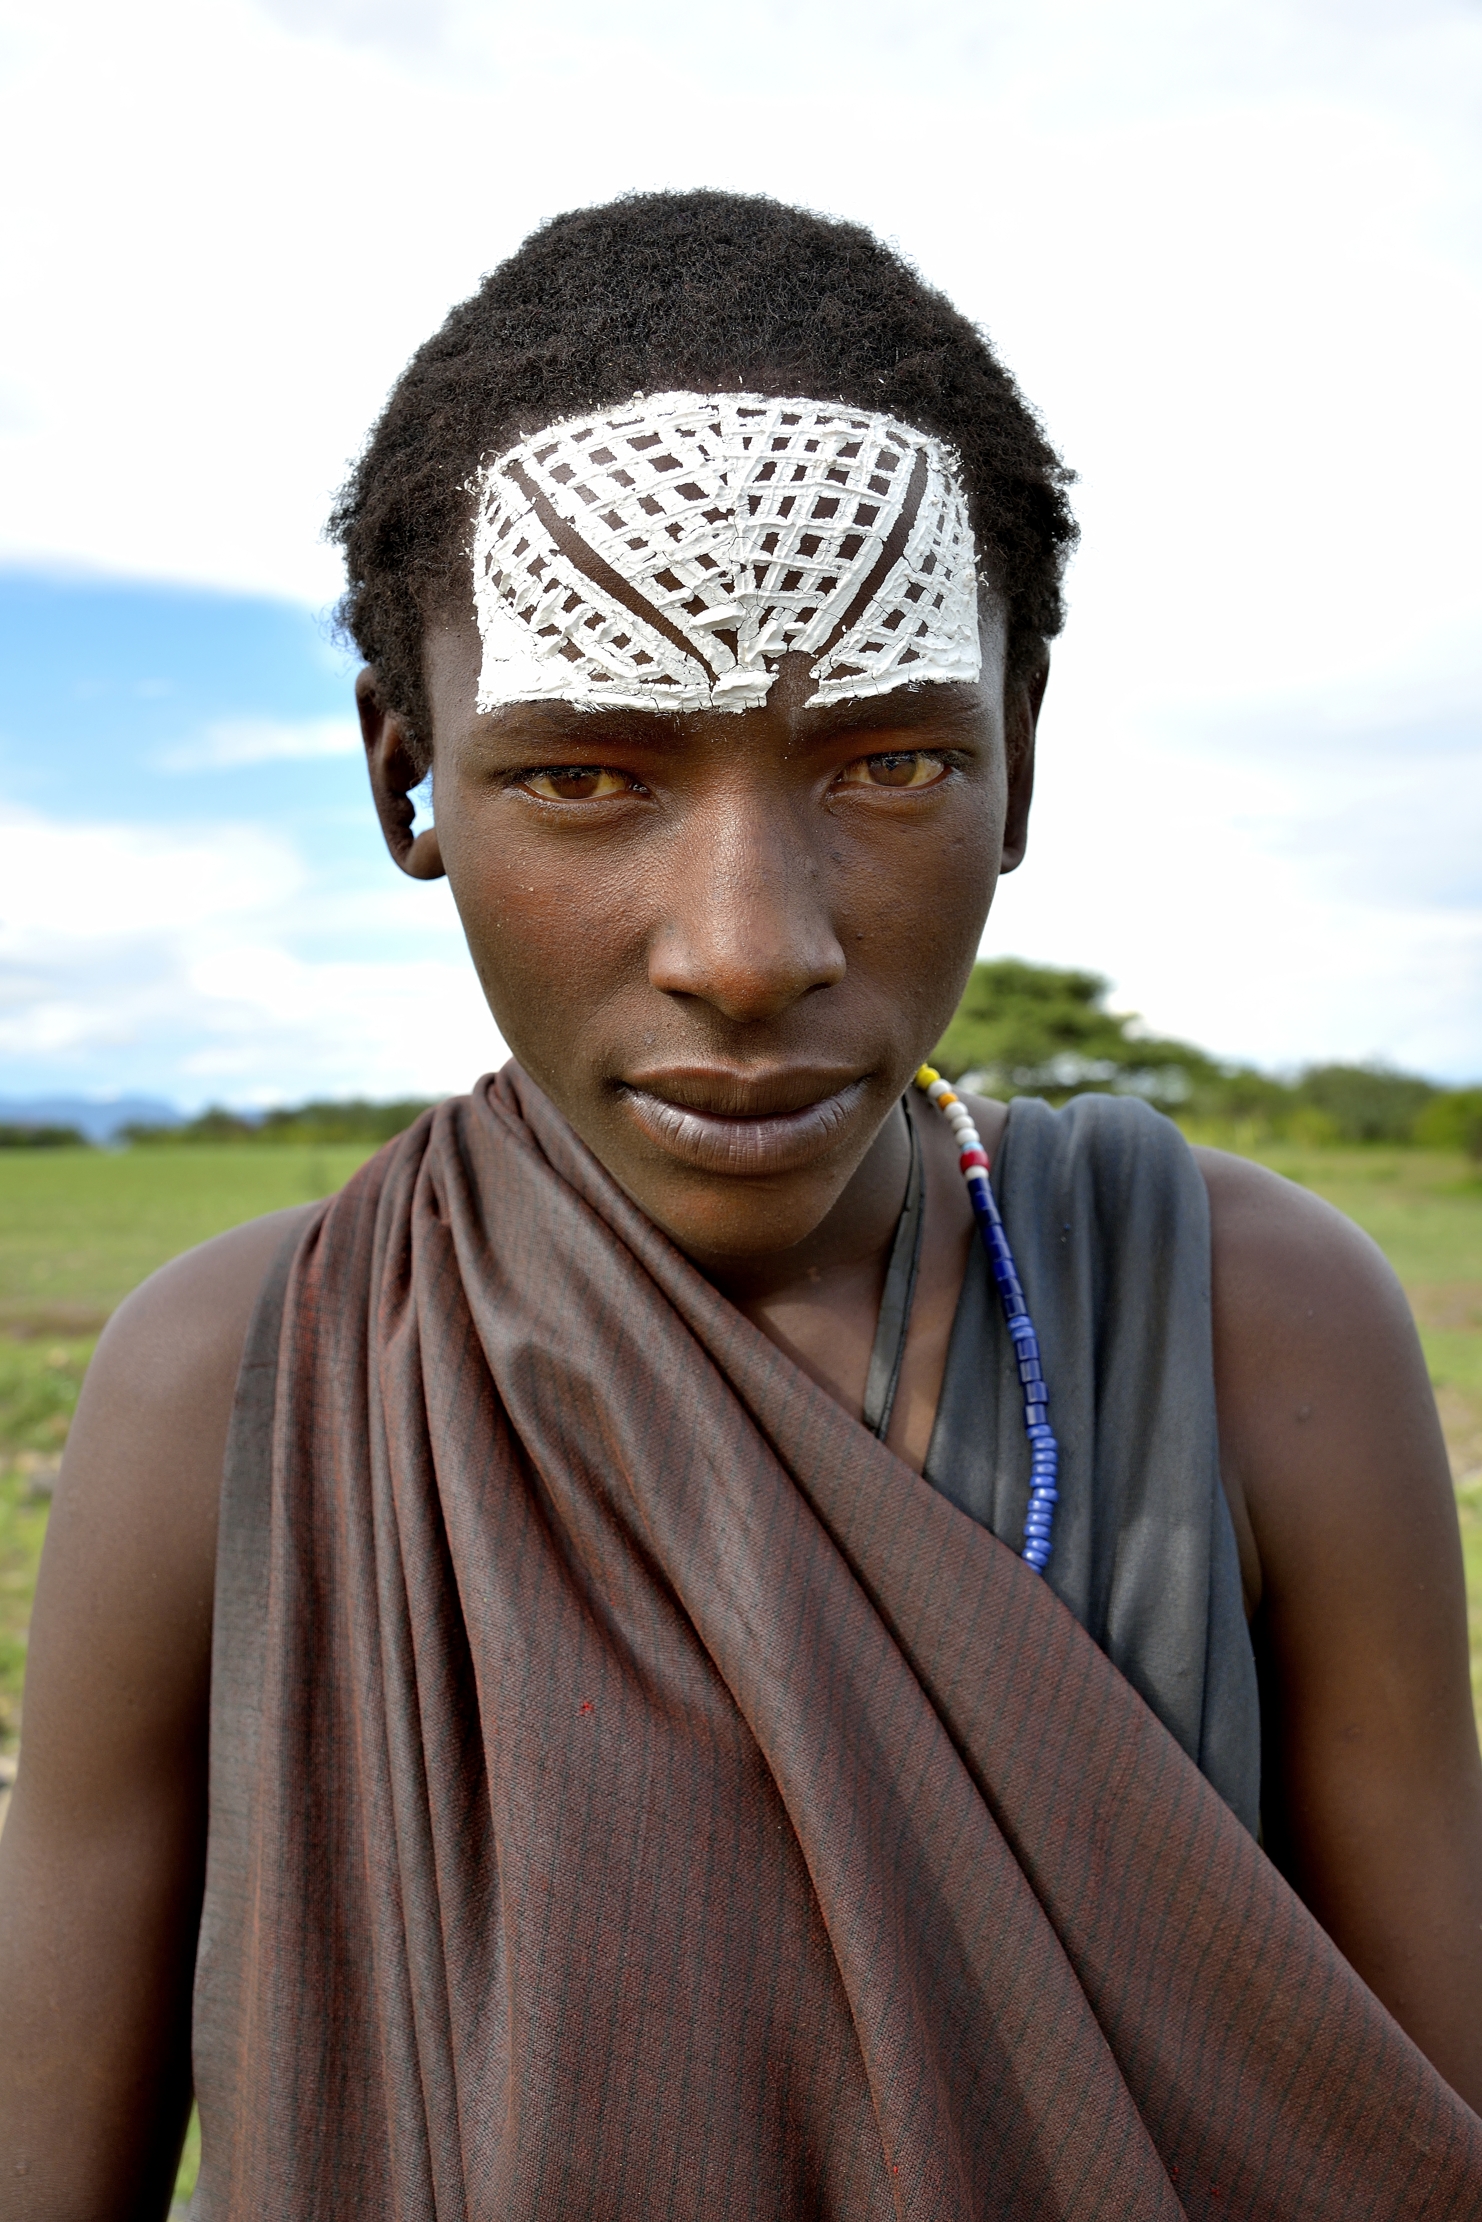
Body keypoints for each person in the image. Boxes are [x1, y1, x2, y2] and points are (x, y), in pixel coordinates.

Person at [2, 189, 1480, 2219]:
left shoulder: (1249, 1318)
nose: (749, 948)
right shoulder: (239, 1380)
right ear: (403, 776)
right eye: (585, 775)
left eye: (890, 763)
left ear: (1023, 762)